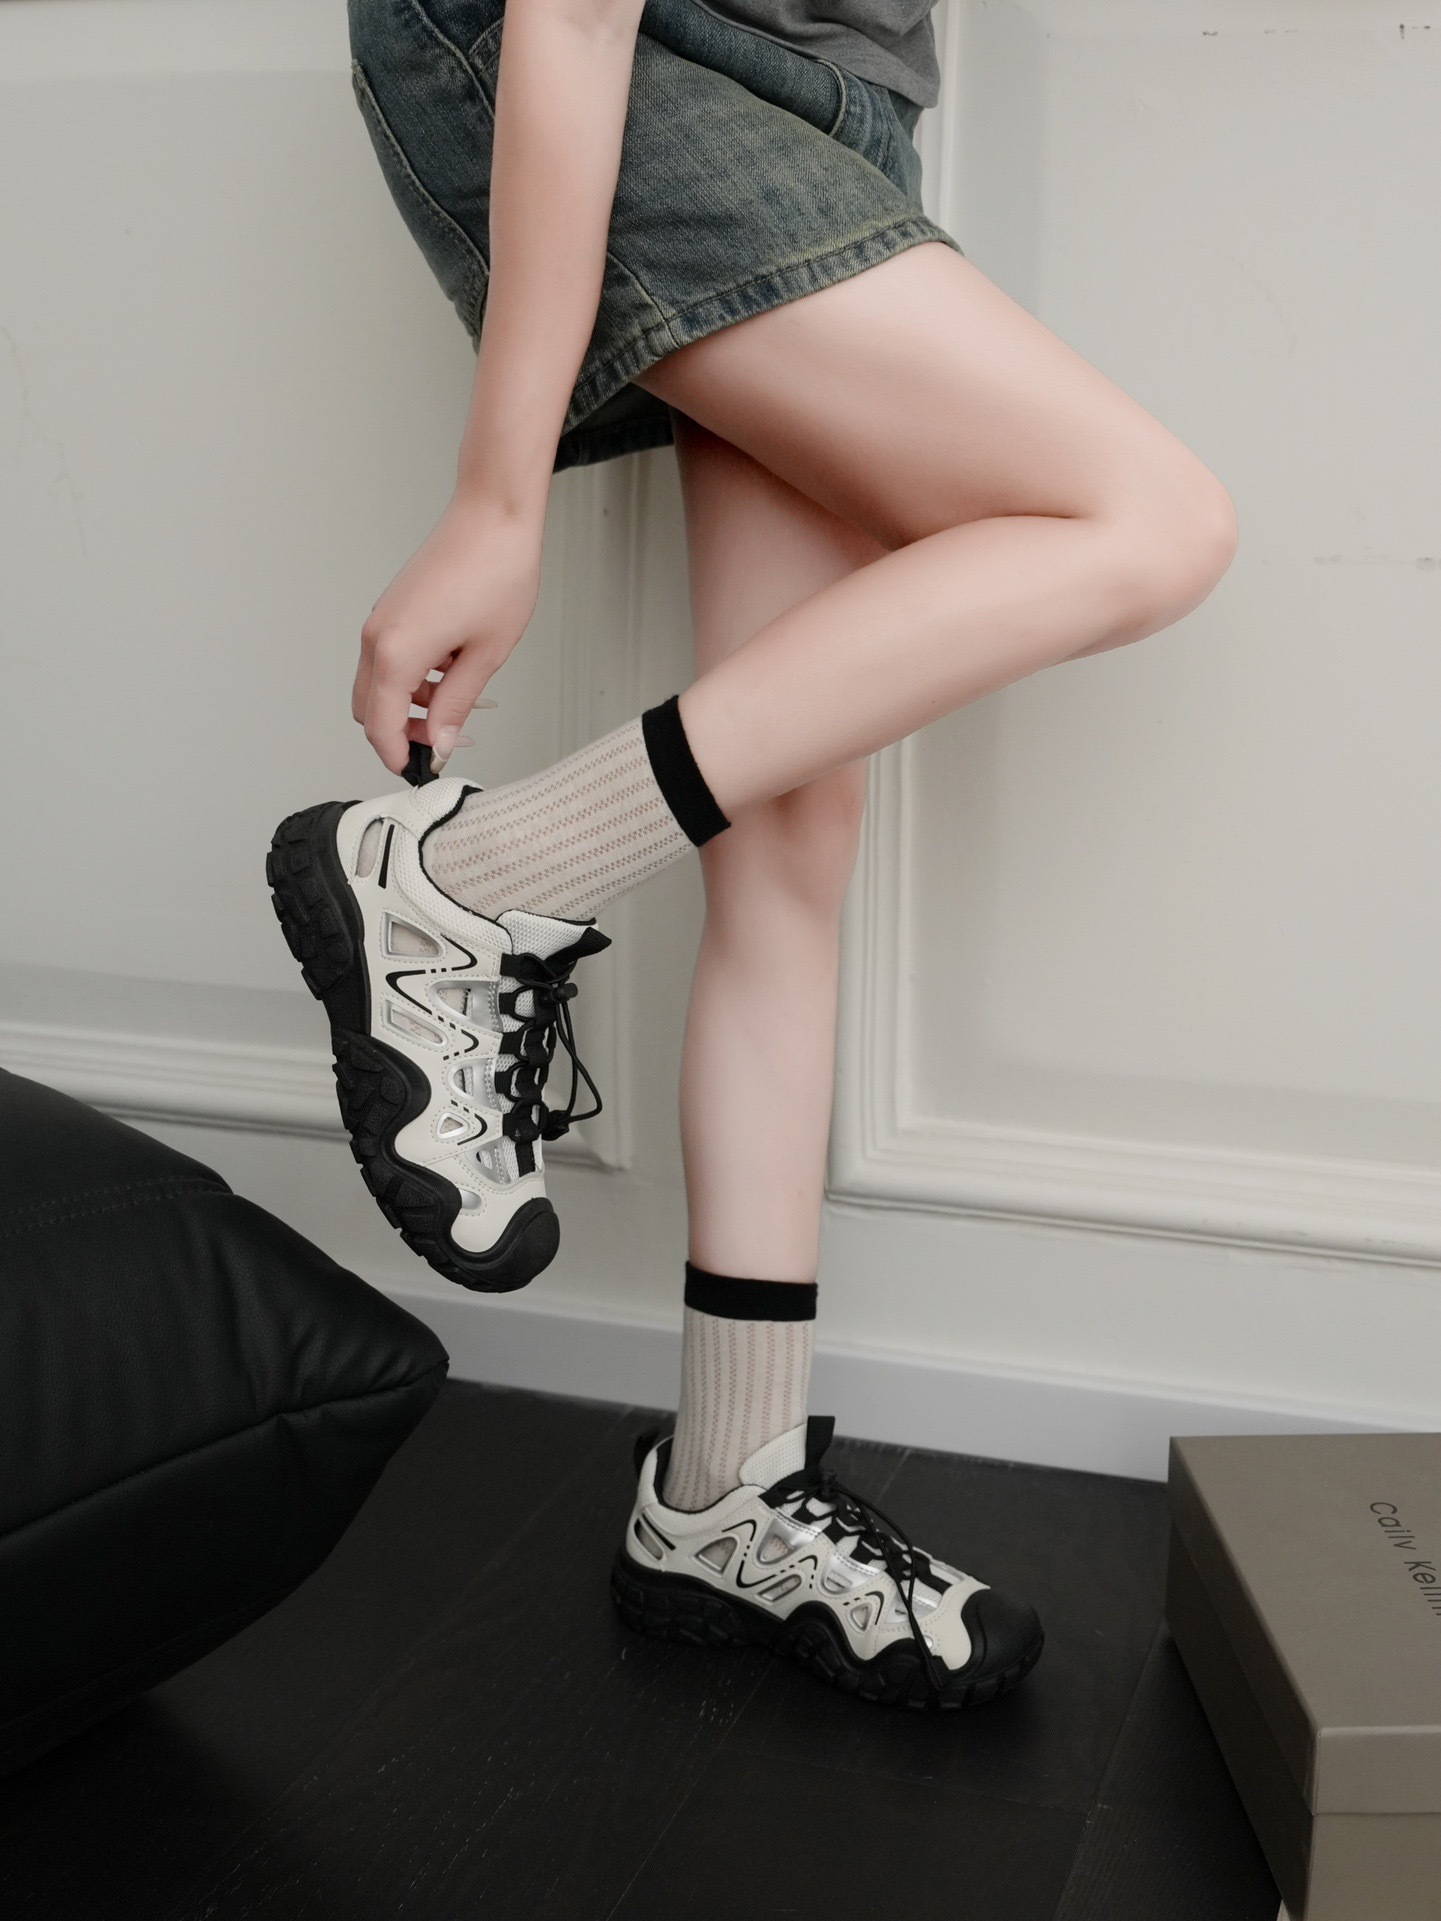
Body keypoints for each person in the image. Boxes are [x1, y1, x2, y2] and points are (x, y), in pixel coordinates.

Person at [268, 0, 1237, 1710]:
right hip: (611, 49)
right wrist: (497, 503)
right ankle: (470, 884)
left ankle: (724, 1489)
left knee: (791, 814)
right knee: (1147, 520)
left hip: (840, 97)